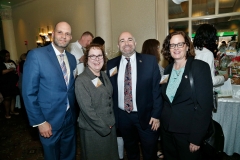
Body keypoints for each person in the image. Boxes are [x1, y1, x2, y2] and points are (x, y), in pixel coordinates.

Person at [22, 21, 77, 160]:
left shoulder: (71, 59)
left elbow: (69, 88)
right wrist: (40, 122)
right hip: (48, 121)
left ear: (71, 37)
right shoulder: (36, 55)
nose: (63, 36)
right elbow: (28, 93)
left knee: (69, 155)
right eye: (60, 32)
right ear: (53, 35)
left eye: (67, 33)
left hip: (69, 118)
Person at [107, 32, 162, 160]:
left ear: (135, 43)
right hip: (123, 116)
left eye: (129, 40)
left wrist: (156, 114)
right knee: (131, 151)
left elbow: (157, 90)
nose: (126, 43)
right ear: (118, 45)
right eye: (122, 41)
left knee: (150, 152)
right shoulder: (111, 64)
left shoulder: (149, 61)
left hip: (147, 117)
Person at [160, 31, 213, 159]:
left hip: (188, 133)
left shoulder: (199, 67)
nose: (176, 48)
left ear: (187, 46)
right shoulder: (167, 69)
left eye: (180, 44)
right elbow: (166, 100)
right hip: (167, 131)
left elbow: (204, 106)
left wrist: (196, 138)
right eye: (172, 45)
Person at [75, 43, 118, 160]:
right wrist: (104, 128)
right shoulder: (82, 80)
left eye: (99, 56)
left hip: (109, 126)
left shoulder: (103, 75)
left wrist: (111, 123)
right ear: (86, 59)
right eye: (92, 56)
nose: (97, 59)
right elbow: (87, 111)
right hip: (94, 130)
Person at [0, 49, 19, 119]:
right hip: (5, 83)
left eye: (8, 56)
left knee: (13, 97)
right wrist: (10, 70)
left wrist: (15, 72)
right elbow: (1, 72)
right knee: (7, 98)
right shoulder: (1, 63)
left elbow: (15, 69)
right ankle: (7, 113)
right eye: (6, 56)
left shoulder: (12, 61)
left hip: (13, 82)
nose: (8, 57)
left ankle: (12, 110)